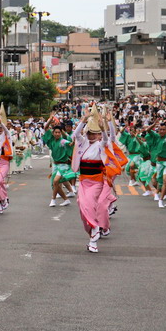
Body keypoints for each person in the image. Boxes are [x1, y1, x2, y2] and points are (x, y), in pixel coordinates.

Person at [71, 105, 111, 253]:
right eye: (90, 133)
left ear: (99, 134)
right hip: (83, 181)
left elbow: (107, 140)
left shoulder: (101, 145)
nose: (91, 136)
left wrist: (103, 128)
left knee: (89, 205)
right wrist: (83, 120)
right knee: (82, 206)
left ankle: (94, 234)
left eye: (95, 134)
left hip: (96, 182)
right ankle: (92, 231)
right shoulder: (83, 143)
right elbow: (75, 134)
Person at [42, 113, 75, 207]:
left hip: (63, 165)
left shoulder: (62, 141)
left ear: (61, 133)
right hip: (55, 165)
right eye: (55, 132)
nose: (57, 134)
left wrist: (72, 143)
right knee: (55, 184)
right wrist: (50, 120)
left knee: (56, 181)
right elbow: (46, 128)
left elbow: (69, 143)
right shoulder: (52, 140)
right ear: (53, 133)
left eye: (59, 132)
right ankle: (66, 199)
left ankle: (53, 199)